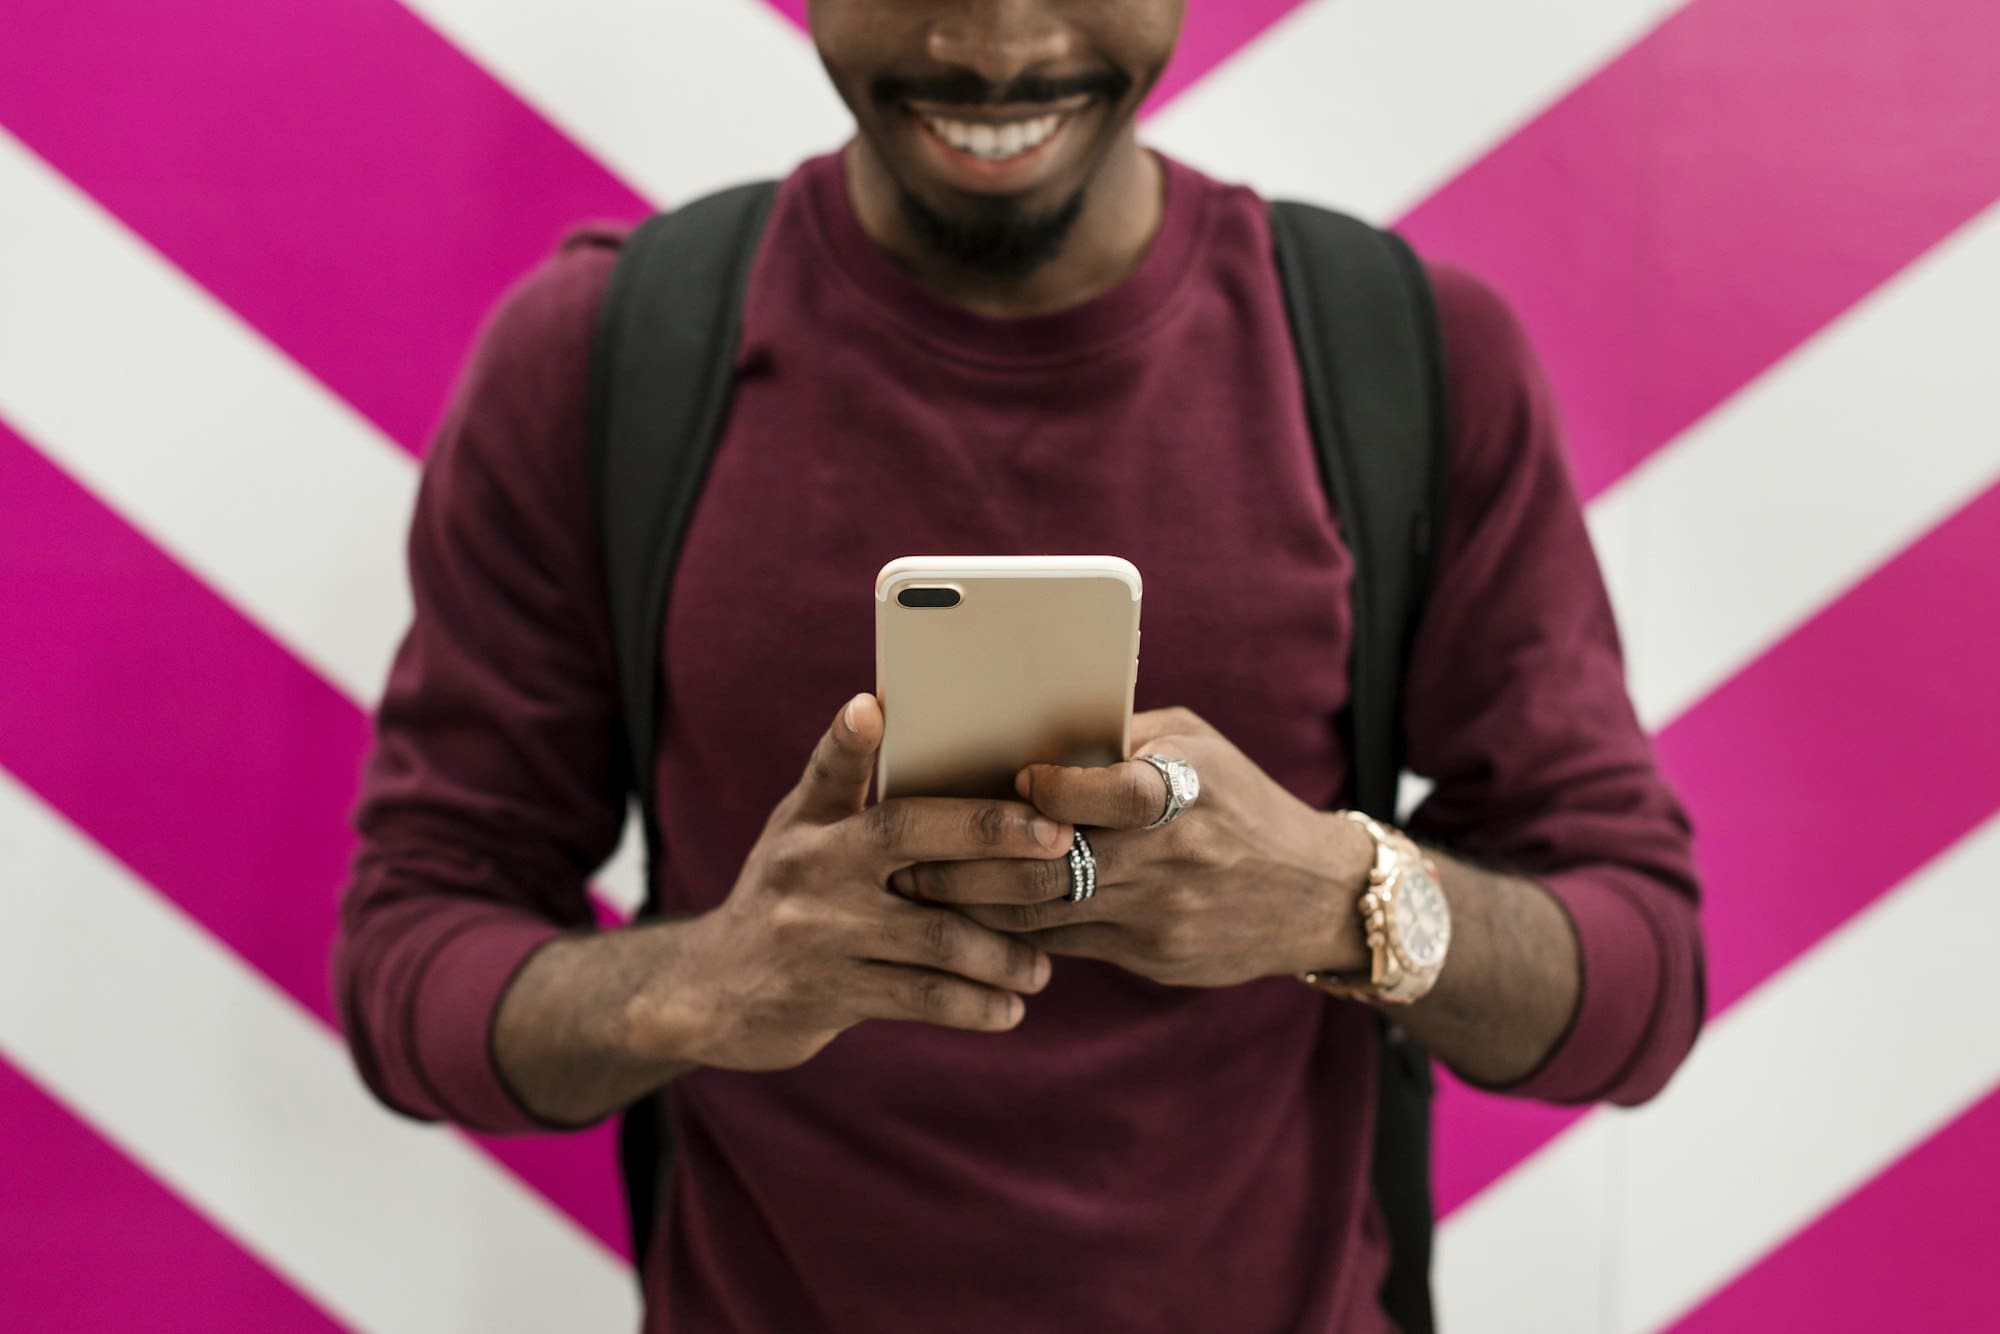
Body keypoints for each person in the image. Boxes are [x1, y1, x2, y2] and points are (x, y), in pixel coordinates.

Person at [333, 2, 1704, 1329]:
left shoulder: (1408, 358)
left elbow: (1641, 978)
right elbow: (411, 957)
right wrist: (698, 984)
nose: (996, 44)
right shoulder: (599, 359)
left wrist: (1341, 898)